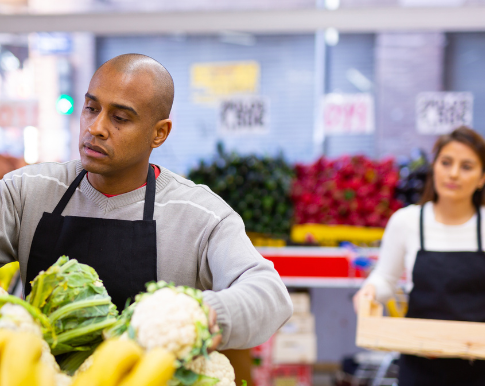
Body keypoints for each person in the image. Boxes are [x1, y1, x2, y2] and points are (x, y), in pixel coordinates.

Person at [0, 53, 292, 351]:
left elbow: (270, 295)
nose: (96, 127)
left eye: (120, 118)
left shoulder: (200, 216)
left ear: (159, 133)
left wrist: (196, 315)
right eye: (91, 108)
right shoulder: (26, 192)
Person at [353, 126, 485, 386]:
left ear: (484, 176)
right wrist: (370, 292)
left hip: (479, 377)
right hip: (424, 374)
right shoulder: (408, 221)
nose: (454, 173)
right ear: (434, 167)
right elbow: (385, 278)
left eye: (467, 166)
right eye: (446, 162)